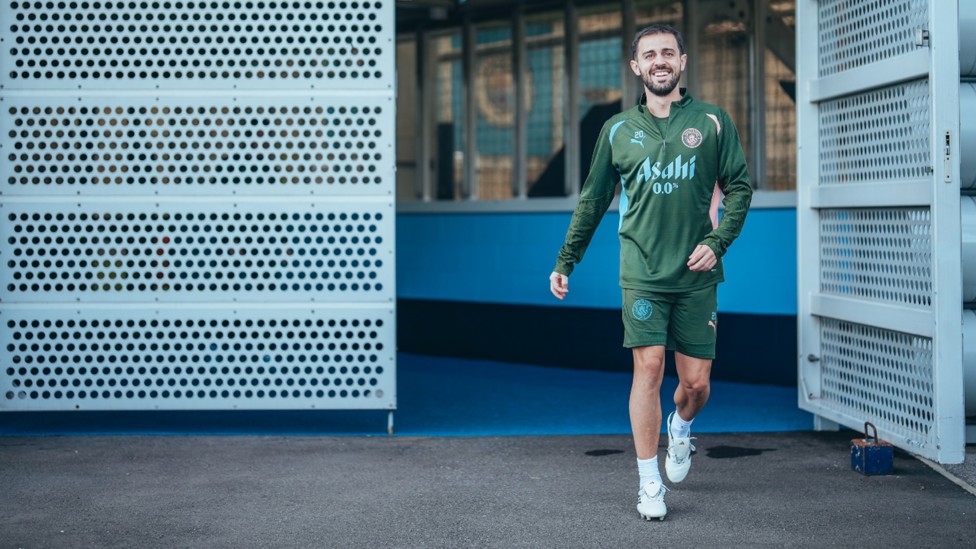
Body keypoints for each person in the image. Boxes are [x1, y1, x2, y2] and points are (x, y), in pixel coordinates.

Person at [548, 23, 752, 521]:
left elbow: (741, 188)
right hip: (641, 272)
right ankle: (648, 482)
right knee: (648, 367)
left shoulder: (712, 121)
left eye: (668, 53)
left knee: (697, 385)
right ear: (637, 68)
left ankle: (679, 431)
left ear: (682, 62)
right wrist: (566, 259)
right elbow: (594, 200)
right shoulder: (617, 130)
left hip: (697, 276)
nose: (659, 61)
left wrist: (717, 241)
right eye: (649, 55)